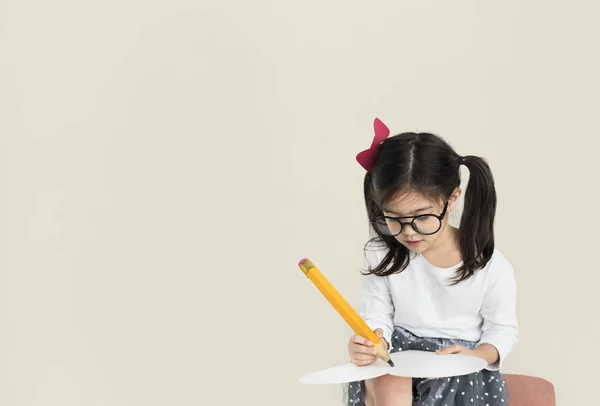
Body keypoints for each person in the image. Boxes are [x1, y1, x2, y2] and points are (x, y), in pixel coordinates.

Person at [345, 119, 518, 406]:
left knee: (450, 379)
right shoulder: (382, 252)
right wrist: (373, 342)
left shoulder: (490, 265)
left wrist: (479, 355)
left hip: (457, 365)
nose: (409, 232)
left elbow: (503, 328)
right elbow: (377, 313)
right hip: (398, 356)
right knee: (384, 376)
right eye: (394, 219)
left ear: (452, 199)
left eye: (422, 217)